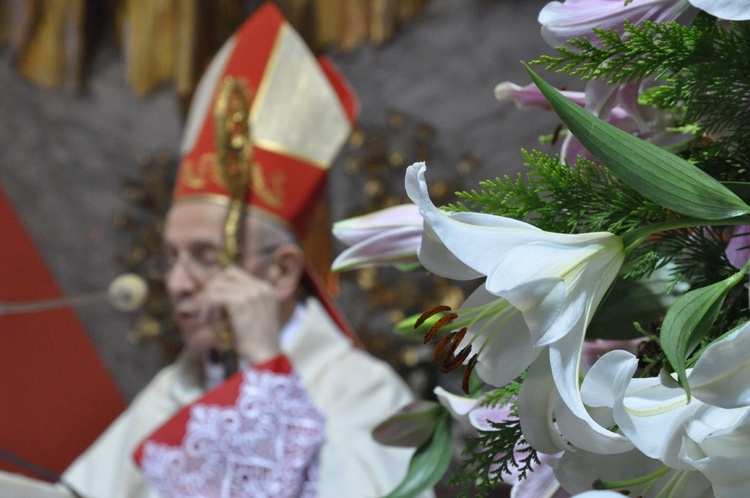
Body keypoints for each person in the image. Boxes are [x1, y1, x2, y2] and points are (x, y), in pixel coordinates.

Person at [60, 4, 424, 497]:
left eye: (206, 257)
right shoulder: (175, 389)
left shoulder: (358, 390)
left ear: (279, 272)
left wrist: (263, 368)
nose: (179, 283)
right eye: (172, 257)